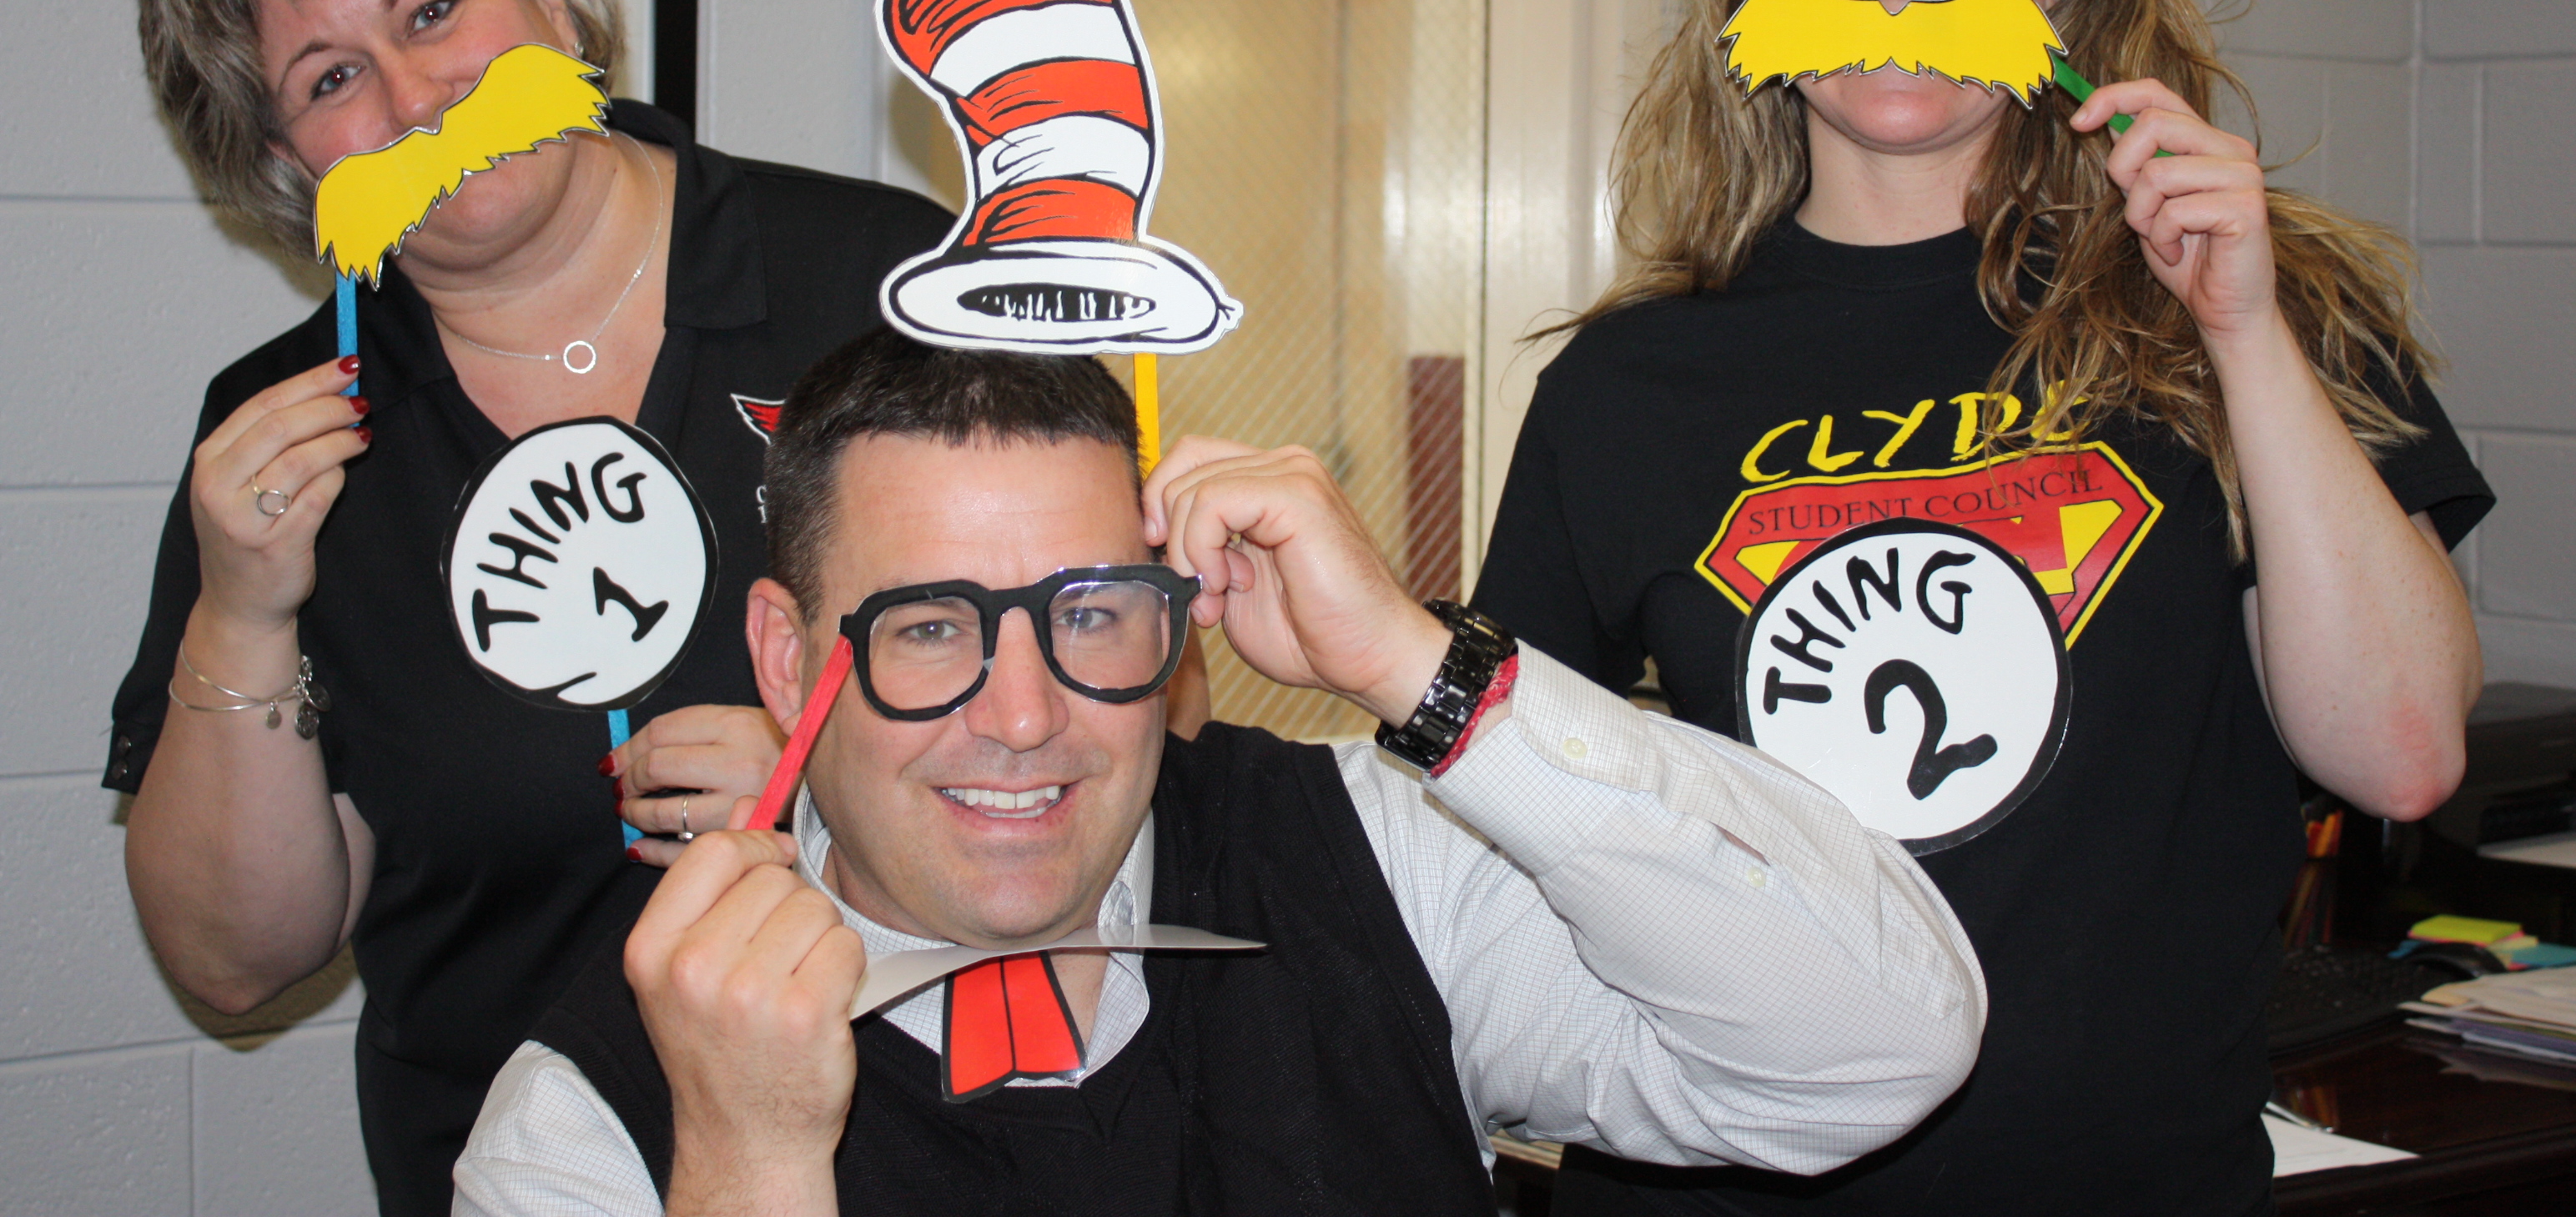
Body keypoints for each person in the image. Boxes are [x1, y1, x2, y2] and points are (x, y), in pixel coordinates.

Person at [1471, 0, 2493, 1215]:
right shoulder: (1625, 386)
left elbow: (2403, 757)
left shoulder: (2259, 302)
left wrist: (2241, 335)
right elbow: (1506, 832)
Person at [452, 328, 1988, 1214]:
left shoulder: (1367, 862)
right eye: (930, 629)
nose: (1025, 716)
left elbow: (1877, 1051)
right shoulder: (595, 1114)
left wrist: (1425, 672)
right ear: (791, 664)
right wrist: (746, 1160)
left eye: (1088, 616)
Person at [103, 0, 958, 1214]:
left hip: (926, 1157)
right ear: (285, 161)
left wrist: (848, 786)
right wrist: (243, 612)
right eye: (327, 80)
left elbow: (1150, 715)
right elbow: (237, 962)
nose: (410, 101)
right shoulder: (284, 437)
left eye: (434, 13)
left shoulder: (883, 281)